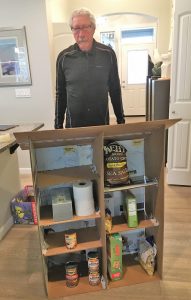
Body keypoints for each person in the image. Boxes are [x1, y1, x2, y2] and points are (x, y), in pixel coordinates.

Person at [54, 7, 125, 128]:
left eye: (85, 27)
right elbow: (60, 94)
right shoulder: (63, 58)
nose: (80, 34)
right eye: (76, 28)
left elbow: (115, 90)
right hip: (73, 126)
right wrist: (58, 125)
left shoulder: (108, 54)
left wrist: (121, 121)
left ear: (93, 28)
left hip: (100, 124)